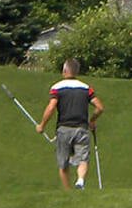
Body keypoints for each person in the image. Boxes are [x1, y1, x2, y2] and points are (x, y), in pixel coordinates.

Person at [36, 58, 102, 189]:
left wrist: (42, 125)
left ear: (64, 71)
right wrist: (92, 120)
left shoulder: (57, 88)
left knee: (63, 164)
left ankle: (68, 192)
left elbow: (51, 107)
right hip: (81, 128)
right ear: (77, 71)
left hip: (63, 129)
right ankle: (80, 180)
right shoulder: (86, 88)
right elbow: (99, 107)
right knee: (82, 159)